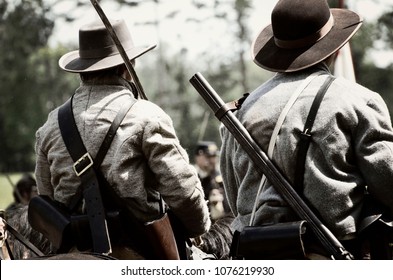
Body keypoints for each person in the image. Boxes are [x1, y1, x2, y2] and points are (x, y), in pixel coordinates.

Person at [219, 0, 393, 259]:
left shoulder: (242, 110)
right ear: (335, 47)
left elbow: (235, 198)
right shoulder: (357, 100)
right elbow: (388, 184)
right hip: (331, 254)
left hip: (257, 257)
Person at [34, 19, 210, 258]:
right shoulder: (147, 115)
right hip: (143, 248)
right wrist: (198, 228)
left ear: (83, 69)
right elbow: (184, 192)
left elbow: (47, 197)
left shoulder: (50, 125)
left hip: (73, 248)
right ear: (126, 67)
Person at [194, 141, 231, 221]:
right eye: (208, 156)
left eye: (214, 156)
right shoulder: (193, 178)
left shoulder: (222, 175)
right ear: (198, 157)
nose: (212, 160)